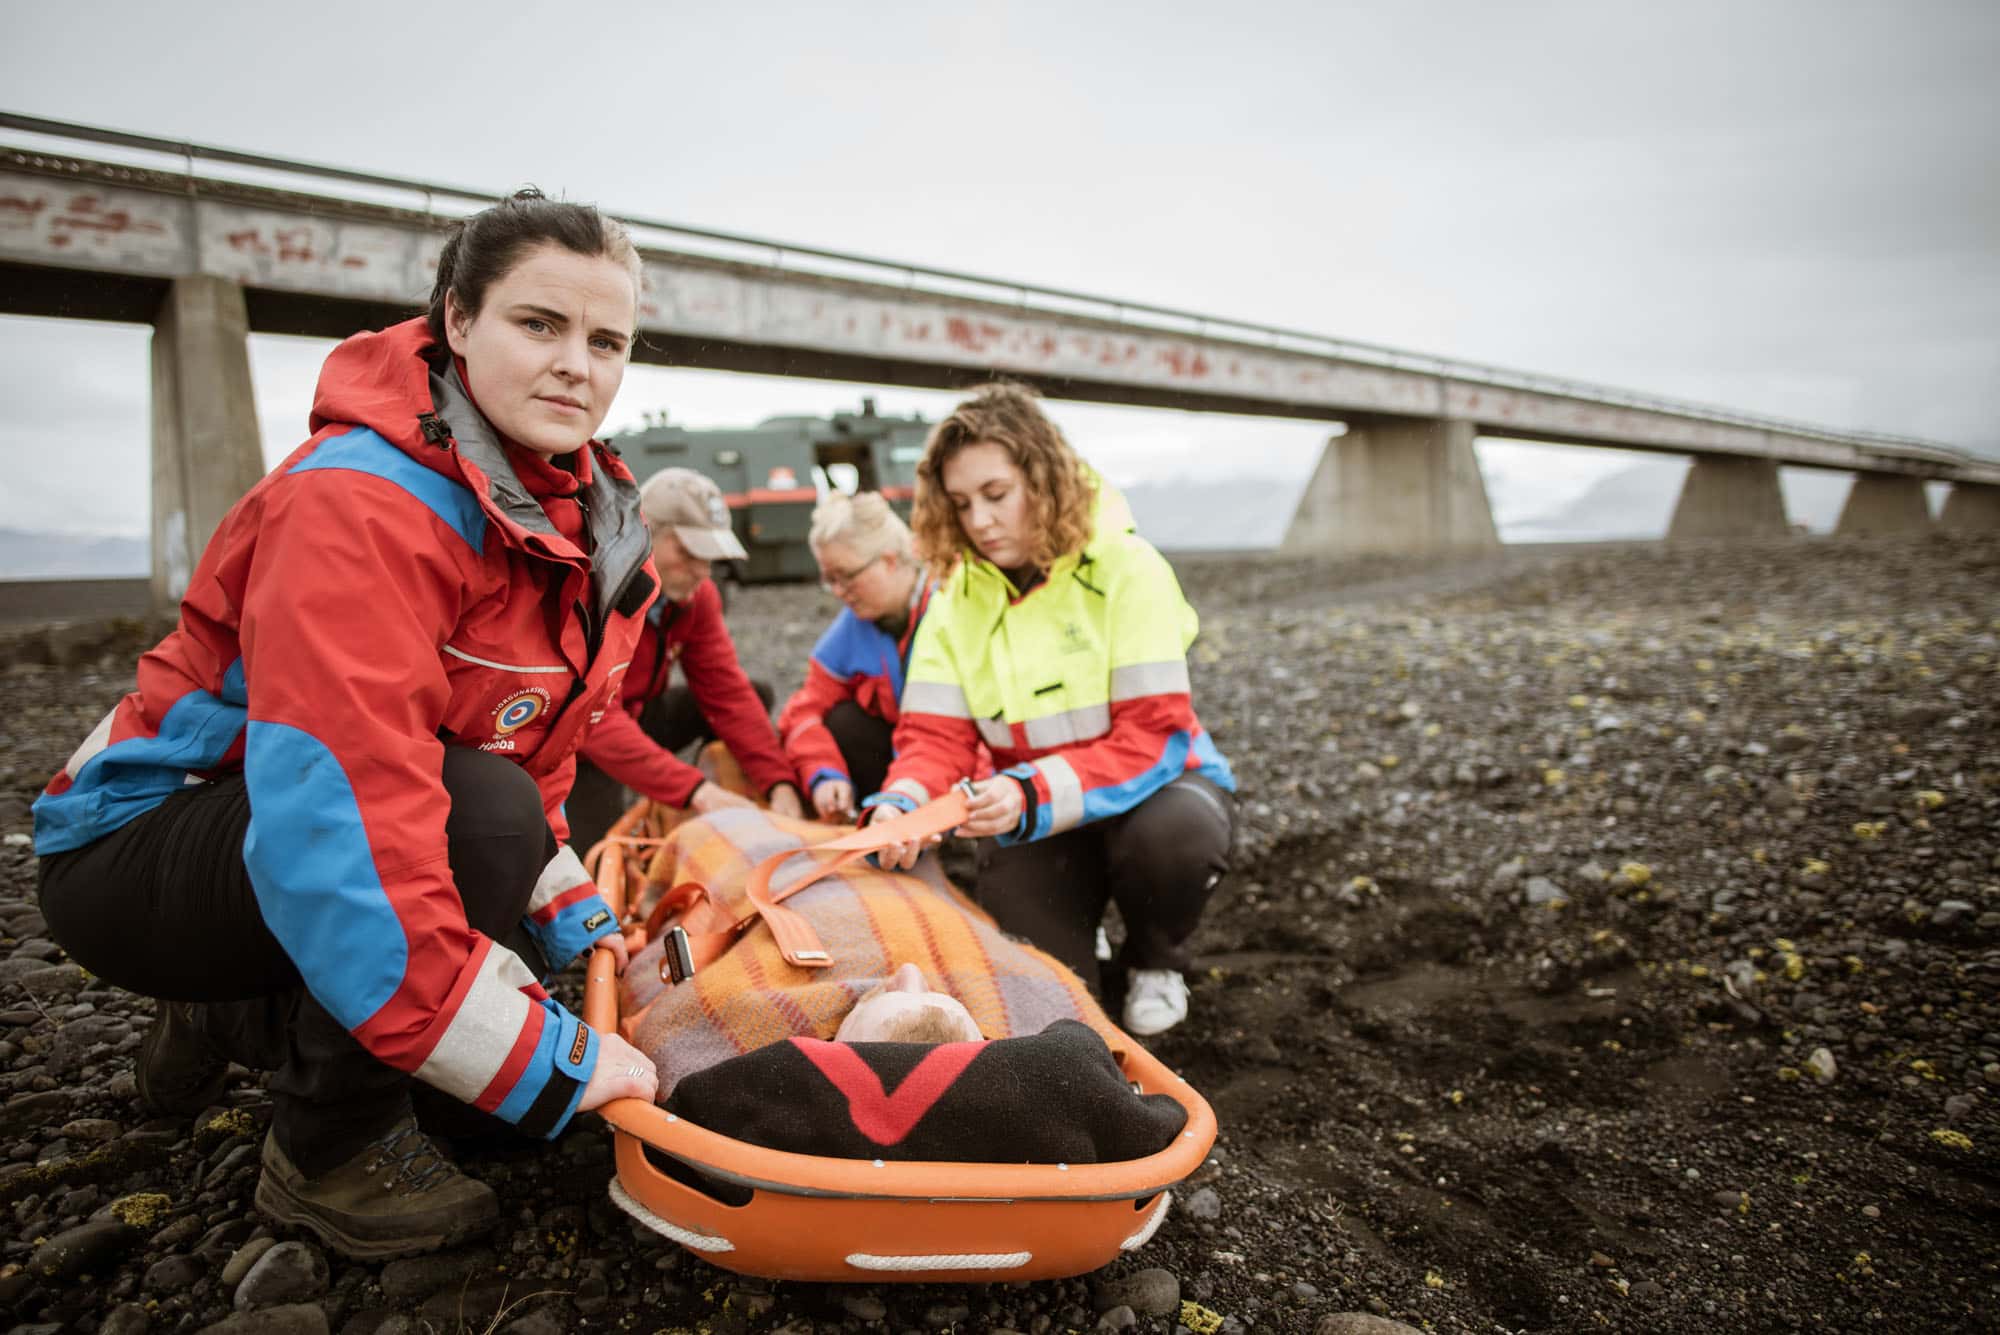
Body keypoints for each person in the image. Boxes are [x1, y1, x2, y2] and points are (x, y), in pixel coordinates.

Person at [33, 189, 661, 1261]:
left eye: (607, 341)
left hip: (293, 834)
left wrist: (569, 916)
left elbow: (521, 745)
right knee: (486, 860)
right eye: (538, 324)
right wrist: (537, 1062)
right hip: (142, 844)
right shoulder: (361, 505)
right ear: (457, 321)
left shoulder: (578, 521)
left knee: (488, 1119)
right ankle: (330, 1148)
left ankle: (240, 1014)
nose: (576, 366)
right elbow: (351, 810)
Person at [865, 383, 1236, 1037]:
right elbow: (933, 737)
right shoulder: (954, 600)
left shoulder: (1129, 568)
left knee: (1175, 839)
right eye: (961, 504)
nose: (979, 520)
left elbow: (1153, 735)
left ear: (1044, 475)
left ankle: (1156, 958)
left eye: (996, 494)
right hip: (1036, 814)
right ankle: (1081, 932)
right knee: (1054, 1008)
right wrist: (904, 802)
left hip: (1151, 793)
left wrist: (1028, 789)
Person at [564, 467, 804, 853]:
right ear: (644, 530)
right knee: (596, 853)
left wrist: (779, 781)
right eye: (691, 552)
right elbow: (596, 719)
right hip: (576, 731)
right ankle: (685, 799)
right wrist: (694, 790)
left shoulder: (696, 596)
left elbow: (725, 691)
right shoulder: (596, 587)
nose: (703, 572)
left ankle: (724, 795)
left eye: (711, 557)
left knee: (753, 694)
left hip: (638, 711)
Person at [775, 492, 939, 820]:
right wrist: (824, 774)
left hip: (955, 768)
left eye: (846, 576)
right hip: (907, 768)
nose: (837, 591)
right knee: (842, 719)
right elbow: (802, 713)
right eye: (829, 580)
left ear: (890, 561)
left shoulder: (950, 608)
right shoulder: (852, 628)